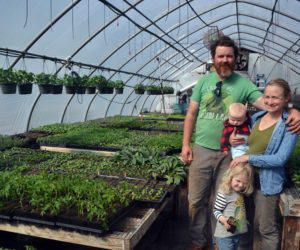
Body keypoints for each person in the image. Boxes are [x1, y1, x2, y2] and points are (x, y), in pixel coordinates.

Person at [181, 35, 300, 250]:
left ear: (235, 59)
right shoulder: (203, 82)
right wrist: (186, 145)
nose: (225, 60)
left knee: (227, 199)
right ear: (213, 58)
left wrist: (292, 109)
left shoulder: (243, 84)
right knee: (196, 200)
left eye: (229, 56)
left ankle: (221, 240)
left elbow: (270, 102)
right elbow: (191, 114)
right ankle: (198, 240)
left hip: (230, 155)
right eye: (221, 56)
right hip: (202, 148)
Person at [230, 79, 299, 249]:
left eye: (275, 97)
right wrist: (234, 141)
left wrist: (249, 158)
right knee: (243, 223)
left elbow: (280, 159)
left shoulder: (289, 124)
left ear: (286, 98)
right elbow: (249, 144)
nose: (269, 101)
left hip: (267, 183)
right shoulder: (256, 117)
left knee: (266, 228)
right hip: (246, 179)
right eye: (266, 96)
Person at [213, 164, 254, 250]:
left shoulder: (239, 192)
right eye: (238, 181)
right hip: (225, 235)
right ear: (230, 177)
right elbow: (216, 210)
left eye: (245, 183)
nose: (240, 185)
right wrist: (224, 220)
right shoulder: (225, 192)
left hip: (236, 234)